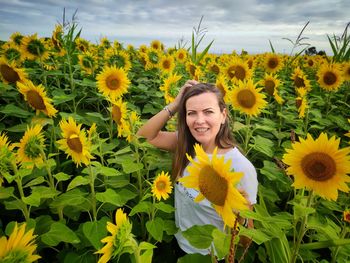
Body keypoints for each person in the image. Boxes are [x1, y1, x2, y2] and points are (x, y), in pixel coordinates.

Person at [137, 80, 258, 256]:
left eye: (208, 112)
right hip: (180, 244)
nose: (199, 120)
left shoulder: (240, 167)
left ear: (223, 115)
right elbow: (143, 136)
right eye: (191, 113)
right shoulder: (185, 145)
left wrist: (242, 217)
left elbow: (247, 240)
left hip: (211, 256)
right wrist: (175, 105)